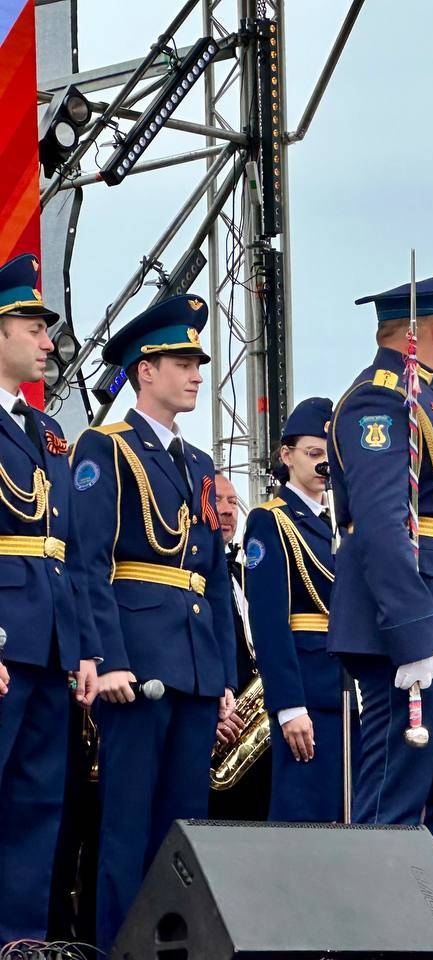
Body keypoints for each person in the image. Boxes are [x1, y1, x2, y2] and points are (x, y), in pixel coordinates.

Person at [327, 270, 433, 918]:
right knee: (394, 800)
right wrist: (412, 630)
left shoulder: (431, 404)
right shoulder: (381, 401)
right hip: (418, 628)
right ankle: (380, 940)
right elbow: (381, 523)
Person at [71, 295, 239, 950]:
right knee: (128, 828)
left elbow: (213, 577)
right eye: (182, 363)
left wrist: (222, 675)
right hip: (137, 665)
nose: (196, 375)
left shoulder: (198, 464)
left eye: (198, 364)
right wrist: (108, 658)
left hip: (193, 668)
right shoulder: (107, 448)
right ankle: (119, 947)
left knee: (185, 836)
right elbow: (89, 562)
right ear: (145, 370)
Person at [0, 254, 98, 942]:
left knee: (36, 809)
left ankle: (19, 944)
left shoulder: (44, 432)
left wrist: (83, 648)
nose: (47, 340)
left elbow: (68, 552)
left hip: (48, 646)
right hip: (6, 639)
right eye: (34, 326)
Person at [244, 397, 358, 823]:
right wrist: (289, 705)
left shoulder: (342, 523)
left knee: (350, 817)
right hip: (307, 689)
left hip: (349, 689)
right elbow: (269, 623)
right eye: (313, 453)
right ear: (286, 455)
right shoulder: (271, 520)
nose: (323, 465)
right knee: (303, 818)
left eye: (330, 456)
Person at [206, 471, 272, 821]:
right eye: (217, 499)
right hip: (214, 727)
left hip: (253, 726)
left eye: (233, 501)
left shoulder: (246, 575)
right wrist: (209, 715)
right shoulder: (190, 577)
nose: (228, 510)